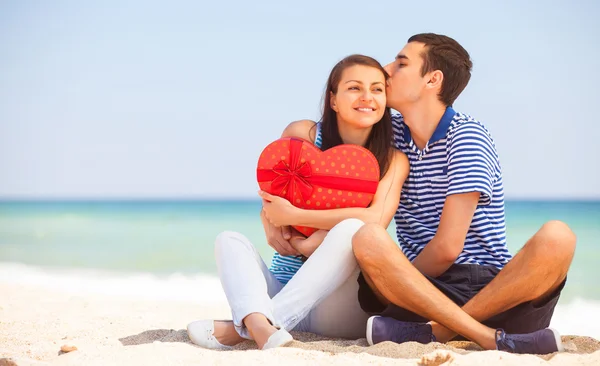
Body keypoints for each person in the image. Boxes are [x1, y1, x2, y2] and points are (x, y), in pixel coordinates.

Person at [350, 33, 576, 355]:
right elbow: (322, 131)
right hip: (425, 292)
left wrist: (404, 283)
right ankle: (489, 337)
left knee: (559, 236)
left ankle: (440, 332)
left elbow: (446, 249)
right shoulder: (390, 132)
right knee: (368, 237)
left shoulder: (467, 135)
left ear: (432, 79)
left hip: (490, 289)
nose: (385, 70)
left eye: (400, 63)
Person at [186, 54, 409, 350]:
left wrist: (298, 217)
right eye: (355, 88)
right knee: (229, 240)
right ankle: (263, 329)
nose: (367, 97)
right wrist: (270, 223)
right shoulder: (301, 135)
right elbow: (272, 198)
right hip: (284, 286)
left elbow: (375, 219)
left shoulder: (393, 160)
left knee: (351, 229)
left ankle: (248, 328)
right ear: (333, 99)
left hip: (339, 306)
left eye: (377, 89)